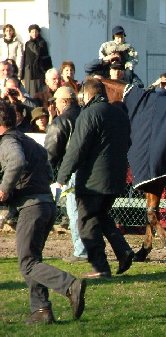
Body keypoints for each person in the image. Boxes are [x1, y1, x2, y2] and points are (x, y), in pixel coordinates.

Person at [0, 101, 86, 324]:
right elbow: (47, 168)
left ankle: (69, 285)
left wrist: (4, 189)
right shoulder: (27, 139)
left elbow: (16, 161)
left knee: (27, 262)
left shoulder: (7, 141)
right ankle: (41, 310)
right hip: (45, 204)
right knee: (33, 260)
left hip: (32, 207)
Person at [55, 78, 134, 279]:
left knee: (87, 221)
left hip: (92, 181)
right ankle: (123, 251)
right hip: (116, 177)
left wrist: (62, 177)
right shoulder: (120, 114)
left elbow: (76, 149)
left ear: (87, 95)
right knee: (100, 216)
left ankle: (101, 267)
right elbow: (128, 142)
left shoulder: (89, 114)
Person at [44, 86, 87, 262]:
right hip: (92, 169)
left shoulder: (61, 121)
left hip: (72, 171)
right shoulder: (87, 115)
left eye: (56, 102)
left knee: (74, 210)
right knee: (89, 212)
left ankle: (81, 250)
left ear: (63, 101)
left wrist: (47, 169)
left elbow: (51, 151)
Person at [21, 24, 53, 96]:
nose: (34, 33)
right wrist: (22, 74)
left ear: (38, 32)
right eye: (32, 32)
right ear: (29, 33)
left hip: (39, 70)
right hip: (28, 70)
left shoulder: (42, 43)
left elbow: (46, 56)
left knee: (39, 89)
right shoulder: (27, 44)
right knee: (29, 90)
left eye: (36, 31)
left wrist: (48, 71)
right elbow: (25, 58)